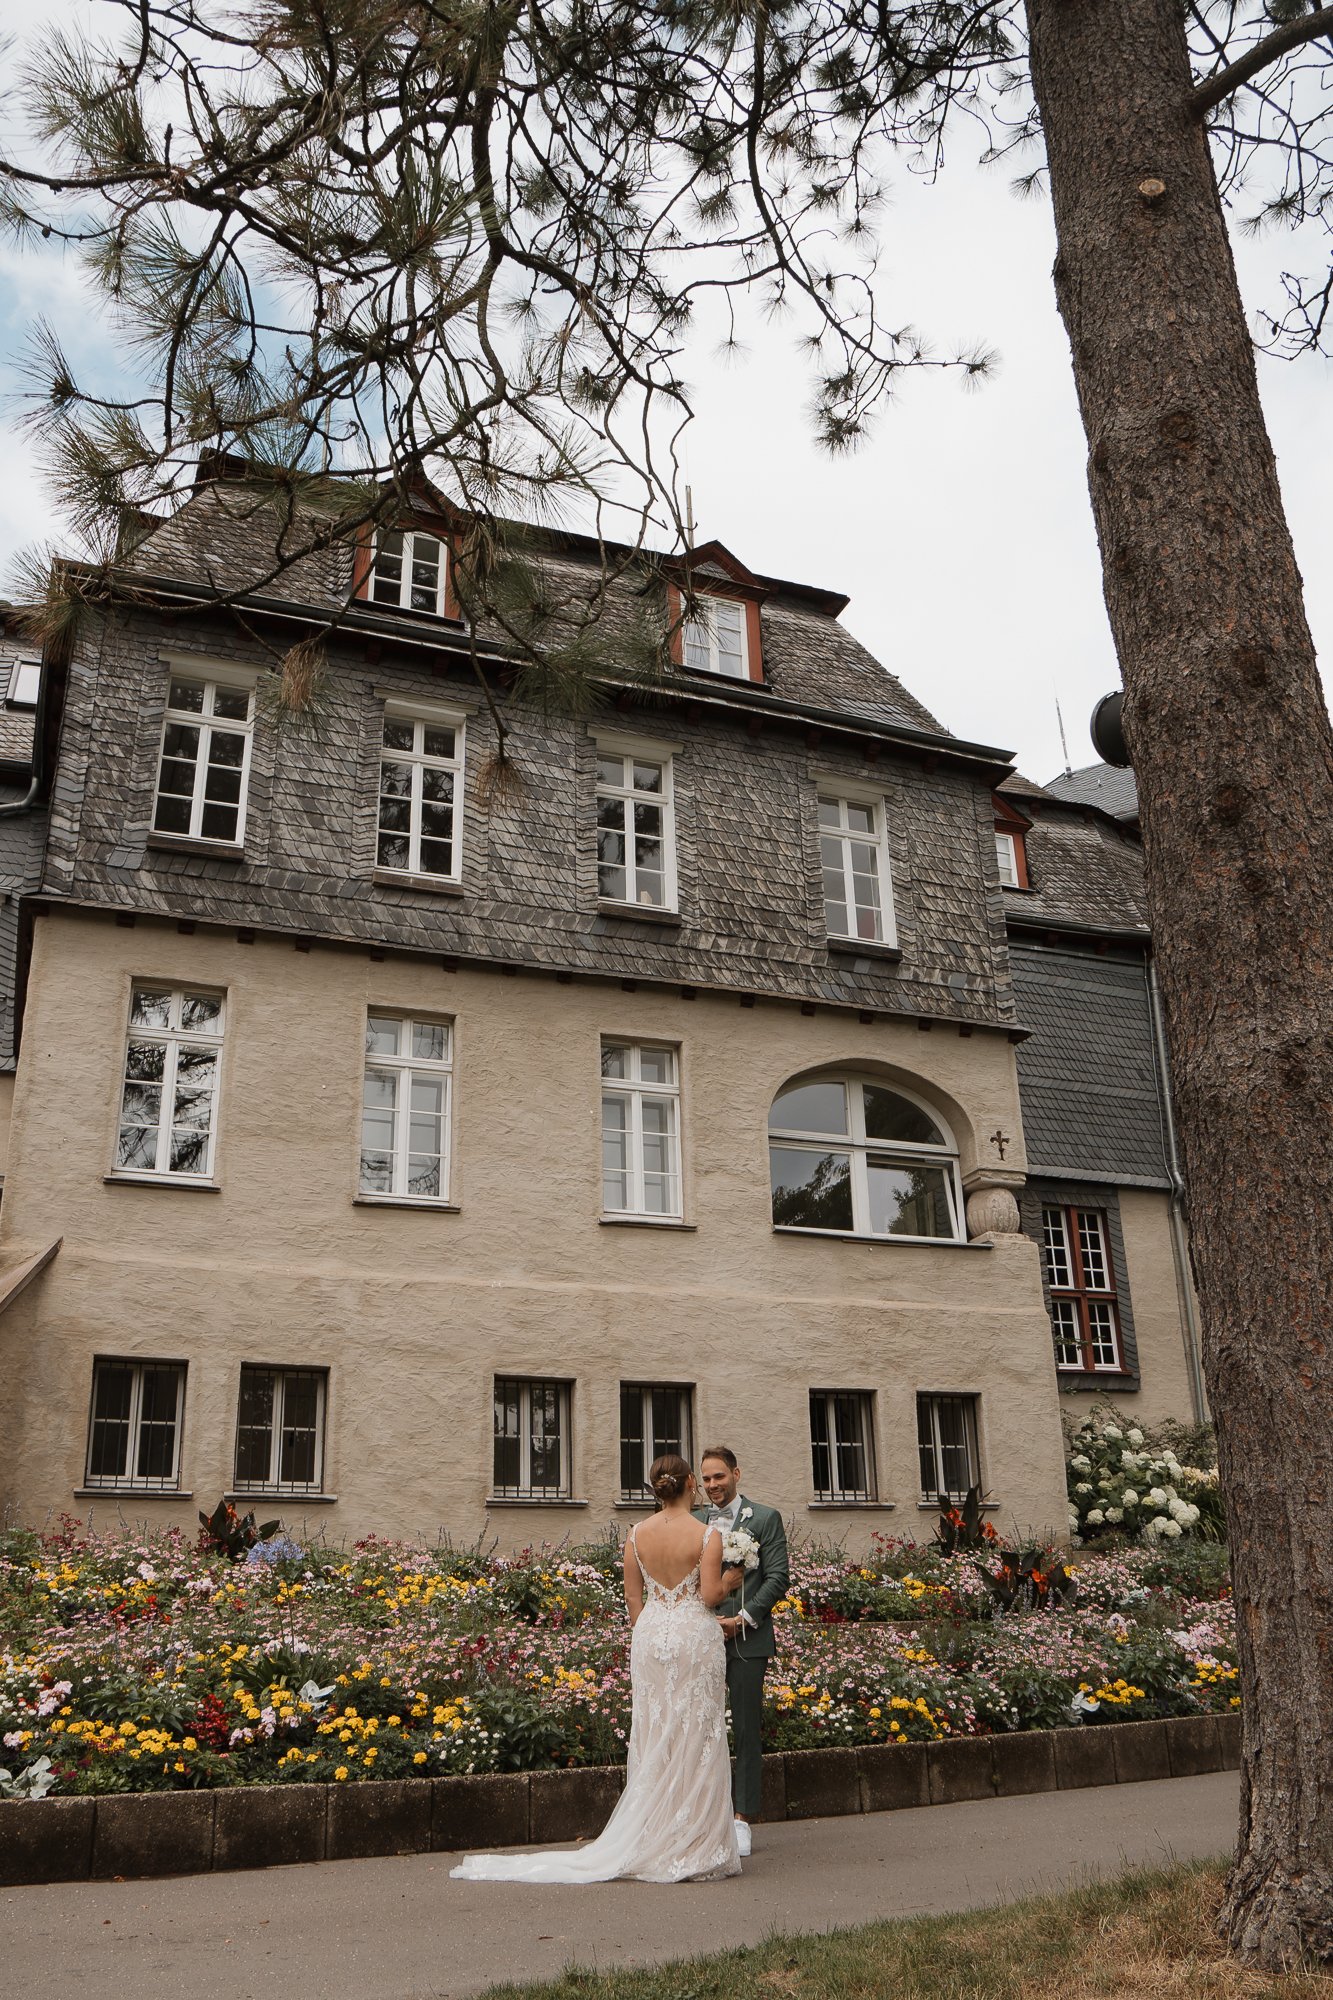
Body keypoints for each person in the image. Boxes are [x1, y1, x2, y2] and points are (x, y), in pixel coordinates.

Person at [450, 1454, 745, 1884]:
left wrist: (650, 1631)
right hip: (693, 1638)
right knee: (696, 1732)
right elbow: (709, 1596)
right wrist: (733, 1582)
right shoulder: (707, 1535)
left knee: (656, 1730)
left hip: (650, 1635)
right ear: (690, 1485)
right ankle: (695, 1842)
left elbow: (633, 1602)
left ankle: (655, 1834)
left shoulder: (636, 1534)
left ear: (657, 1488)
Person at [695, 1446, 790, 1858]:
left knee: (747, 1728)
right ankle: (704, 1816)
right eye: (706, 1480)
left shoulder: (765, 1518)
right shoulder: (695, 1522)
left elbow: (778, 1576)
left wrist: (743, 1618)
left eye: (719, 1477)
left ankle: (743, 1818)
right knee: (701, 1727)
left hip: (750, 1638)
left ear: (736, 1474)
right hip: (702, 1637)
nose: (713, 1485)